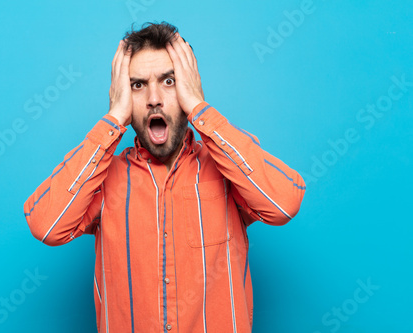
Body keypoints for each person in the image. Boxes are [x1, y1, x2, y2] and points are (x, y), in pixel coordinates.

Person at [24, 22, 306, 333]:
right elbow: (46, 224)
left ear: (189, 85)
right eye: (138, 85)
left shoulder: (229, 165)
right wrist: (114, 118)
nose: (154, 98)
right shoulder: (103, 178)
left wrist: (200, 107)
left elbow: (284, 203)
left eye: (169, 81)